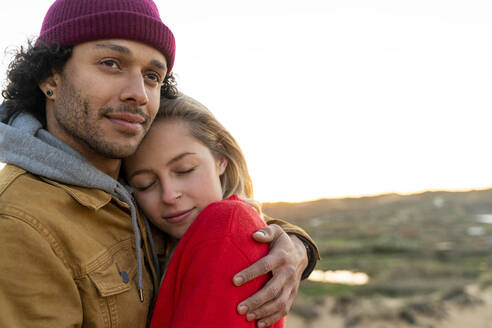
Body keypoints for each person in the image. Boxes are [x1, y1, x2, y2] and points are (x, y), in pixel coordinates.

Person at [0, 0, 319, 327]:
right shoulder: (19, 223)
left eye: (152, 75)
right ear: (49, 78)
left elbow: (202, 224)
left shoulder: (124, 189)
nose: (138, 93)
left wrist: (295, 246)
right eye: (111, 63)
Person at [123, 95, 291, 327]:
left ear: (221, 159)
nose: (169, 195)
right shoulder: (161, 243)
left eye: (185, 169)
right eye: (145, 184)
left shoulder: (227, 224)